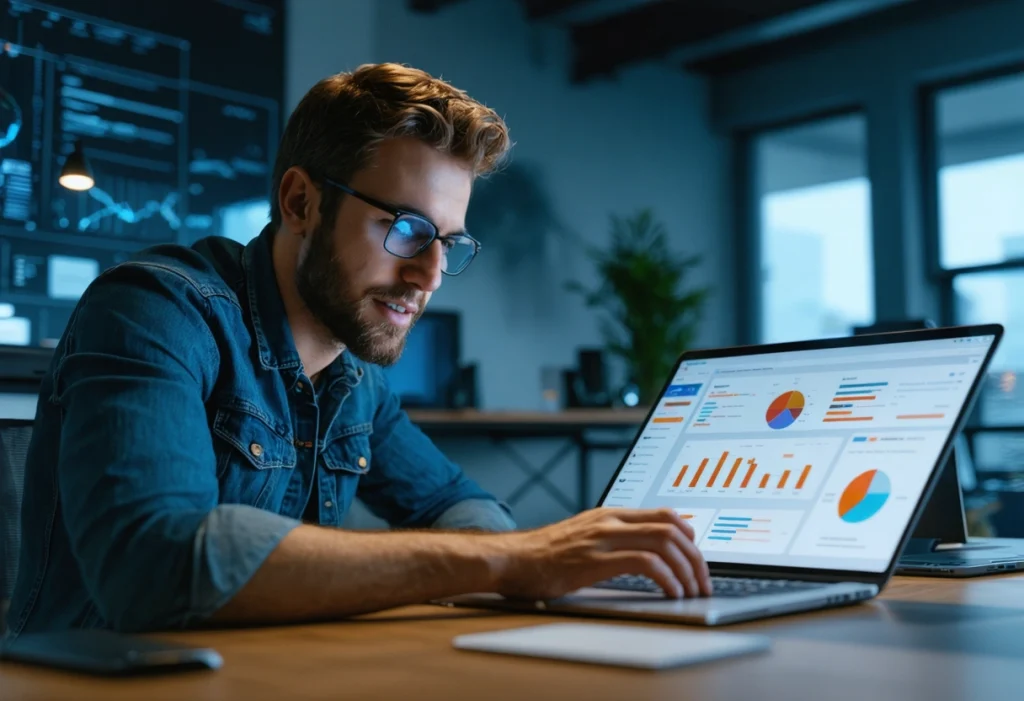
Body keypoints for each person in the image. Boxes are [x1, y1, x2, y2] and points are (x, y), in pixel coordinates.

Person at [7, 63, 710, 636]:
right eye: (406, 229)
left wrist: (510, 555)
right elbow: (154, 564)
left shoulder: (352, 376)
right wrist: (508, 558)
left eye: (448, 242)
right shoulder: (154, 311)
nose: (431, 274)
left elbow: (455, 501)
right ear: (301, 202)